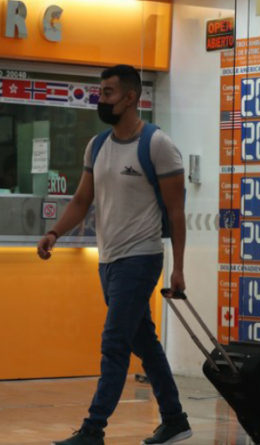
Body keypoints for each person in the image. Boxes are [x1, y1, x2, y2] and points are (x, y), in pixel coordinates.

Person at [37, 65, 191, 445]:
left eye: (107, 93)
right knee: (143, 342)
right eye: (100, 92)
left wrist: (179, 269)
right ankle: (175, 419)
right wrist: (55, 231)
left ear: (131, 98)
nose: (100, 99)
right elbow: (81, 200)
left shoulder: (156, 145)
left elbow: (176, 212)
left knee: (115, 342)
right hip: (109, 260)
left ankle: (94, 429)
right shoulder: (98, 145)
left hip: (141, 258)